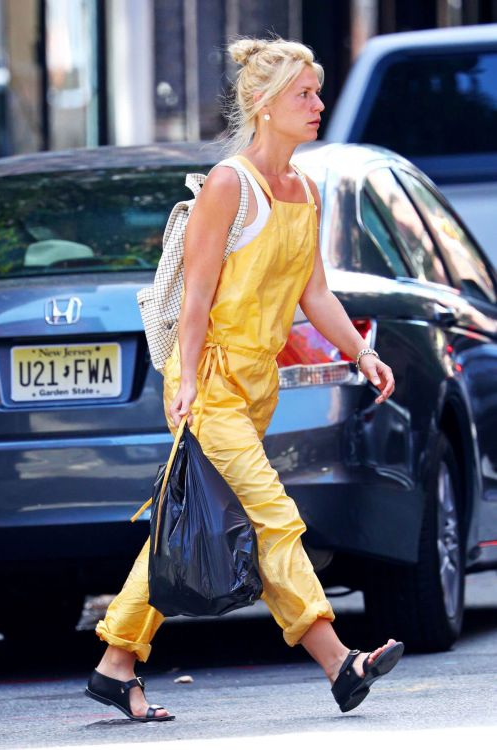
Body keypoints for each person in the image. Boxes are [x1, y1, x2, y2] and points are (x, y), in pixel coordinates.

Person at [85, 36, 403, 722]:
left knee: (187, 525)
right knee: (272, 519)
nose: (319, 105)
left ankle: (116, 663)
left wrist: (359, 352)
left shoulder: (304, 189)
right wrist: (186, 383)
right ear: (263, 105)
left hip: (258, 388)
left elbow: (314, 293)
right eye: (305, 95)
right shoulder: (230, 184)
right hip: (213, 383)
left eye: (317, 92)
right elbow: (195, 297)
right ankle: (337, 660)